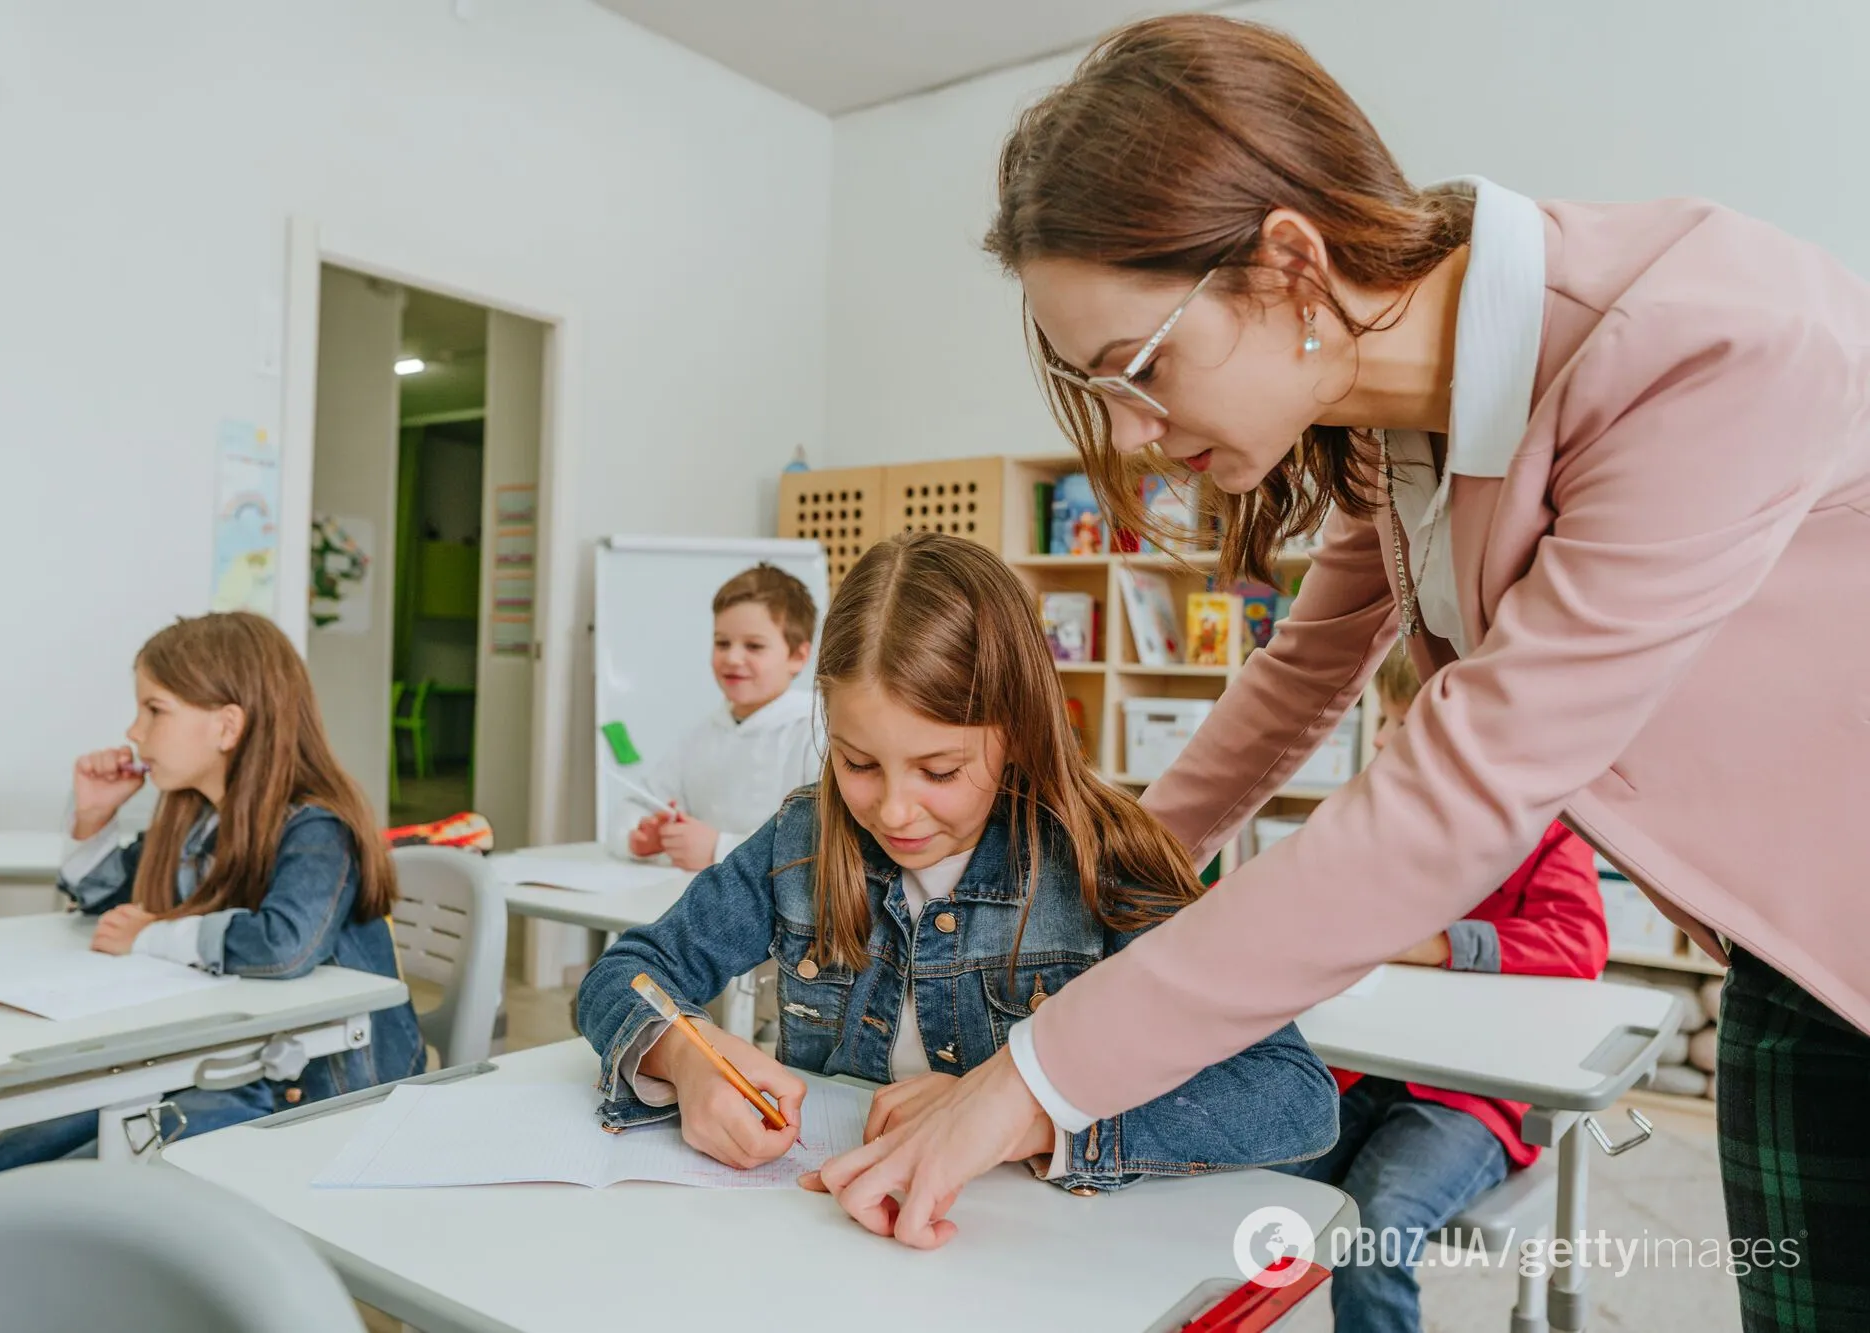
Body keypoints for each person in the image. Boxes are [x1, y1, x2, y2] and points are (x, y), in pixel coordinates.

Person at [811, 15, 1870, 1323]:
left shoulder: (1706, 348)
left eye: (1139, 370)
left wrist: (1036, 1077)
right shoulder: (1404, 423)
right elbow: (1292, 682)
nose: (1136, 436)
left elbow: (1452, 798)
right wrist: (1089, 908)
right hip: (1799, 965)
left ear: (1292, 264)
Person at [578, 533, 1336, 1203]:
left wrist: (1026, 1115)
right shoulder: (802, 840)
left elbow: (1294, 1096)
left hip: (1039, 1257)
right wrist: (683, 1054)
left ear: (1017, 732)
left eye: (940, 770)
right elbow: (629, 970)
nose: (896, 811)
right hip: (826, 1232)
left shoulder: (1104, 861)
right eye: (859, 762)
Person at [0, 612, 425, 1199]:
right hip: (219, 1067)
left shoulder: (316, 827)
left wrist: (152, 933)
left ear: (228, 726)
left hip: (315, 1093)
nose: (134, 731)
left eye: (155, 710)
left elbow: (285, 945)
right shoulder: (198, 819)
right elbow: (115, 902)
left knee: (54, 1197)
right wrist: (94, 819)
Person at [1277, 646, 1607, 1332]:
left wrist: (1442, 945)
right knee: (1235, 1205)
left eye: (1403, 721)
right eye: (1387, 721)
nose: (1385, 738)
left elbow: (1579, 943)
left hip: (1469, 1096)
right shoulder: (1380, 813)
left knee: (1376, 1230)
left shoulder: (1551, 824)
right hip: (1354, 1068)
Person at [616, 564, 822, 872]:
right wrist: (641, 838)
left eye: (754, 646)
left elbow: (820, 841)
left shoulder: (816, 732)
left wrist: (718, 848)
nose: (732, 658)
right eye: (722, 643)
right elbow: (636, 805)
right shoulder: (701, 736)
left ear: (797, 657)